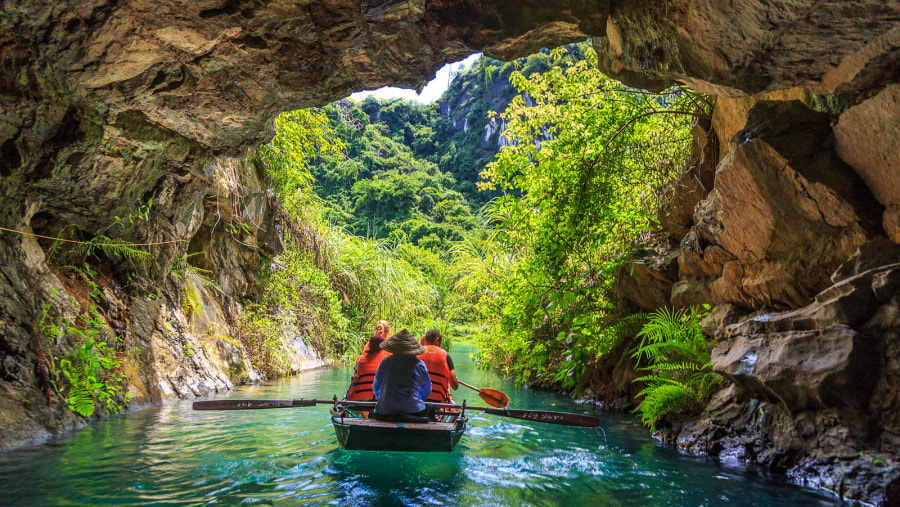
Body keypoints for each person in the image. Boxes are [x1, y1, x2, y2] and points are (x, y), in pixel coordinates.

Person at [372, 329, 432, 420]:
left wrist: (385, 399)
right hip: (413, 409)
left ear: (394, 349)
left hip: (385, 410)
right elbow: (427, 389)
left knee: (373, 412)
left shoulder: (385, 362)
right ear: (412, 350)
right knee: (430, 409)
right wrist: (416, 399)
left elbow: (376, 386)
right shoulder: (419, 364)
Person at [345, 334, 391, 403]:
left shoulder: (360, 360)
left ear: (369, 345)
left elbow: (355, 377)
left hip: (358, 398)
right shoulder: (387, 360)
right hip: (380, 399)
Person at [418, 330, 459, 404]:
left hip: (418, 400)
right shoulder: (446, 356)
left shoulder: (415, 354)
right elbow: (455, 386)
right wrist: (455, 380)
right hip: (438, 403)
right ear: (437, 340)